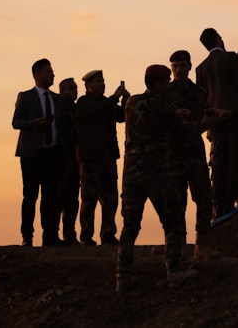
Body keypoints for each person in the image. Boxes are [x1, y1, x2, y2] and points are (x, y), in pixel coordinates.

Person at [117, 64, 196, 295]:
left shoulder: (132, 103)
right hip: (155, 172)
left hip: (131, 173)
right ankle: (174, 272)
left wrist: (173, 114)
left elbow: (150, 119)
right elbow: (182, 134)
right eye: (166, 81)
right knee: (171, 221)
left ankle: (122, 278)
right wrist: (210, 122)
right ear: (159, 83)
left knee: (129, 226)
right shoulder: (163, 107)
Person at [196, 27, 238, 219]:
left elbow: (202, 98)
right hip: (234, 117)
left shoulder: (201, 68)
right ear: (219, 39)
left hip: (215, 120)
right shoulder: (230, 58)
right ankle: (229, 204)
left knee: (219, 163)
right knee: (234, 163)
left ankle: (218, 205)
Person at [12, 58, 67, 246]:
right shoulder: (26, 96)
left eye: (52, 71)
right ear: (38, 75)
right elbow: (16, 122)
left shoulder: (56, 98)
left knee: (50, 196)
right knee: (30, 196)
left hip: (52, 153)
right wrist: (35, 123)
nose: (52, 75)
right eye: (49, 72)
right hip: (32, 154)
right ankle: (27, 236)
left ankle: (49, 235)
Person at [168, 49, 216, 259]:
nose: (179, 70)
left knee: (204, 198)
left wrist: (208, 121)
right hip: (173, 154)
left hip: (195, 153)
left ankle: (202, 244)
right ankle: (177, 245)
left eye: (182, 65)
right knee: (177, 202)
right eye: (175, 66)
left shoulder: (198, 92)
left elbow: (207, 114)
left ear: (189, 66)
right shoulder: (165, 93)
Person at [76, 69, 128, 246]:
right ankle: (86, 235)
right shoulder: (83, 103)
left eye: (103, 80)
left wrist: (126, 101)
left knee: (111, 198)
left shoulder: (108, 103)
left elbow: (123, 116)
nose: (102, 84)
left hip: (108, 157)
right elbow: (95, 111)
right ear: (88, 86)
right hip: (90, 159)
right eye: (98, 81)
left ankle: (107, 233)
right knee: (89, 199)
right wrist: (115, 98)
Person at [55, 78, 81, 244]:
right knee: (57, 199)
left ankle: (70, 235)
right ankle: (53, 234)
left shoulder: (78, 109)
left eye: (76, 88)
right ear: (62, 91)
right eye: (71, 88)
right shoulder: (57, 108)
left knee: (72, 199)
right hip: (59, 159)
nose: (75, 91)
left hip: (75, 159)